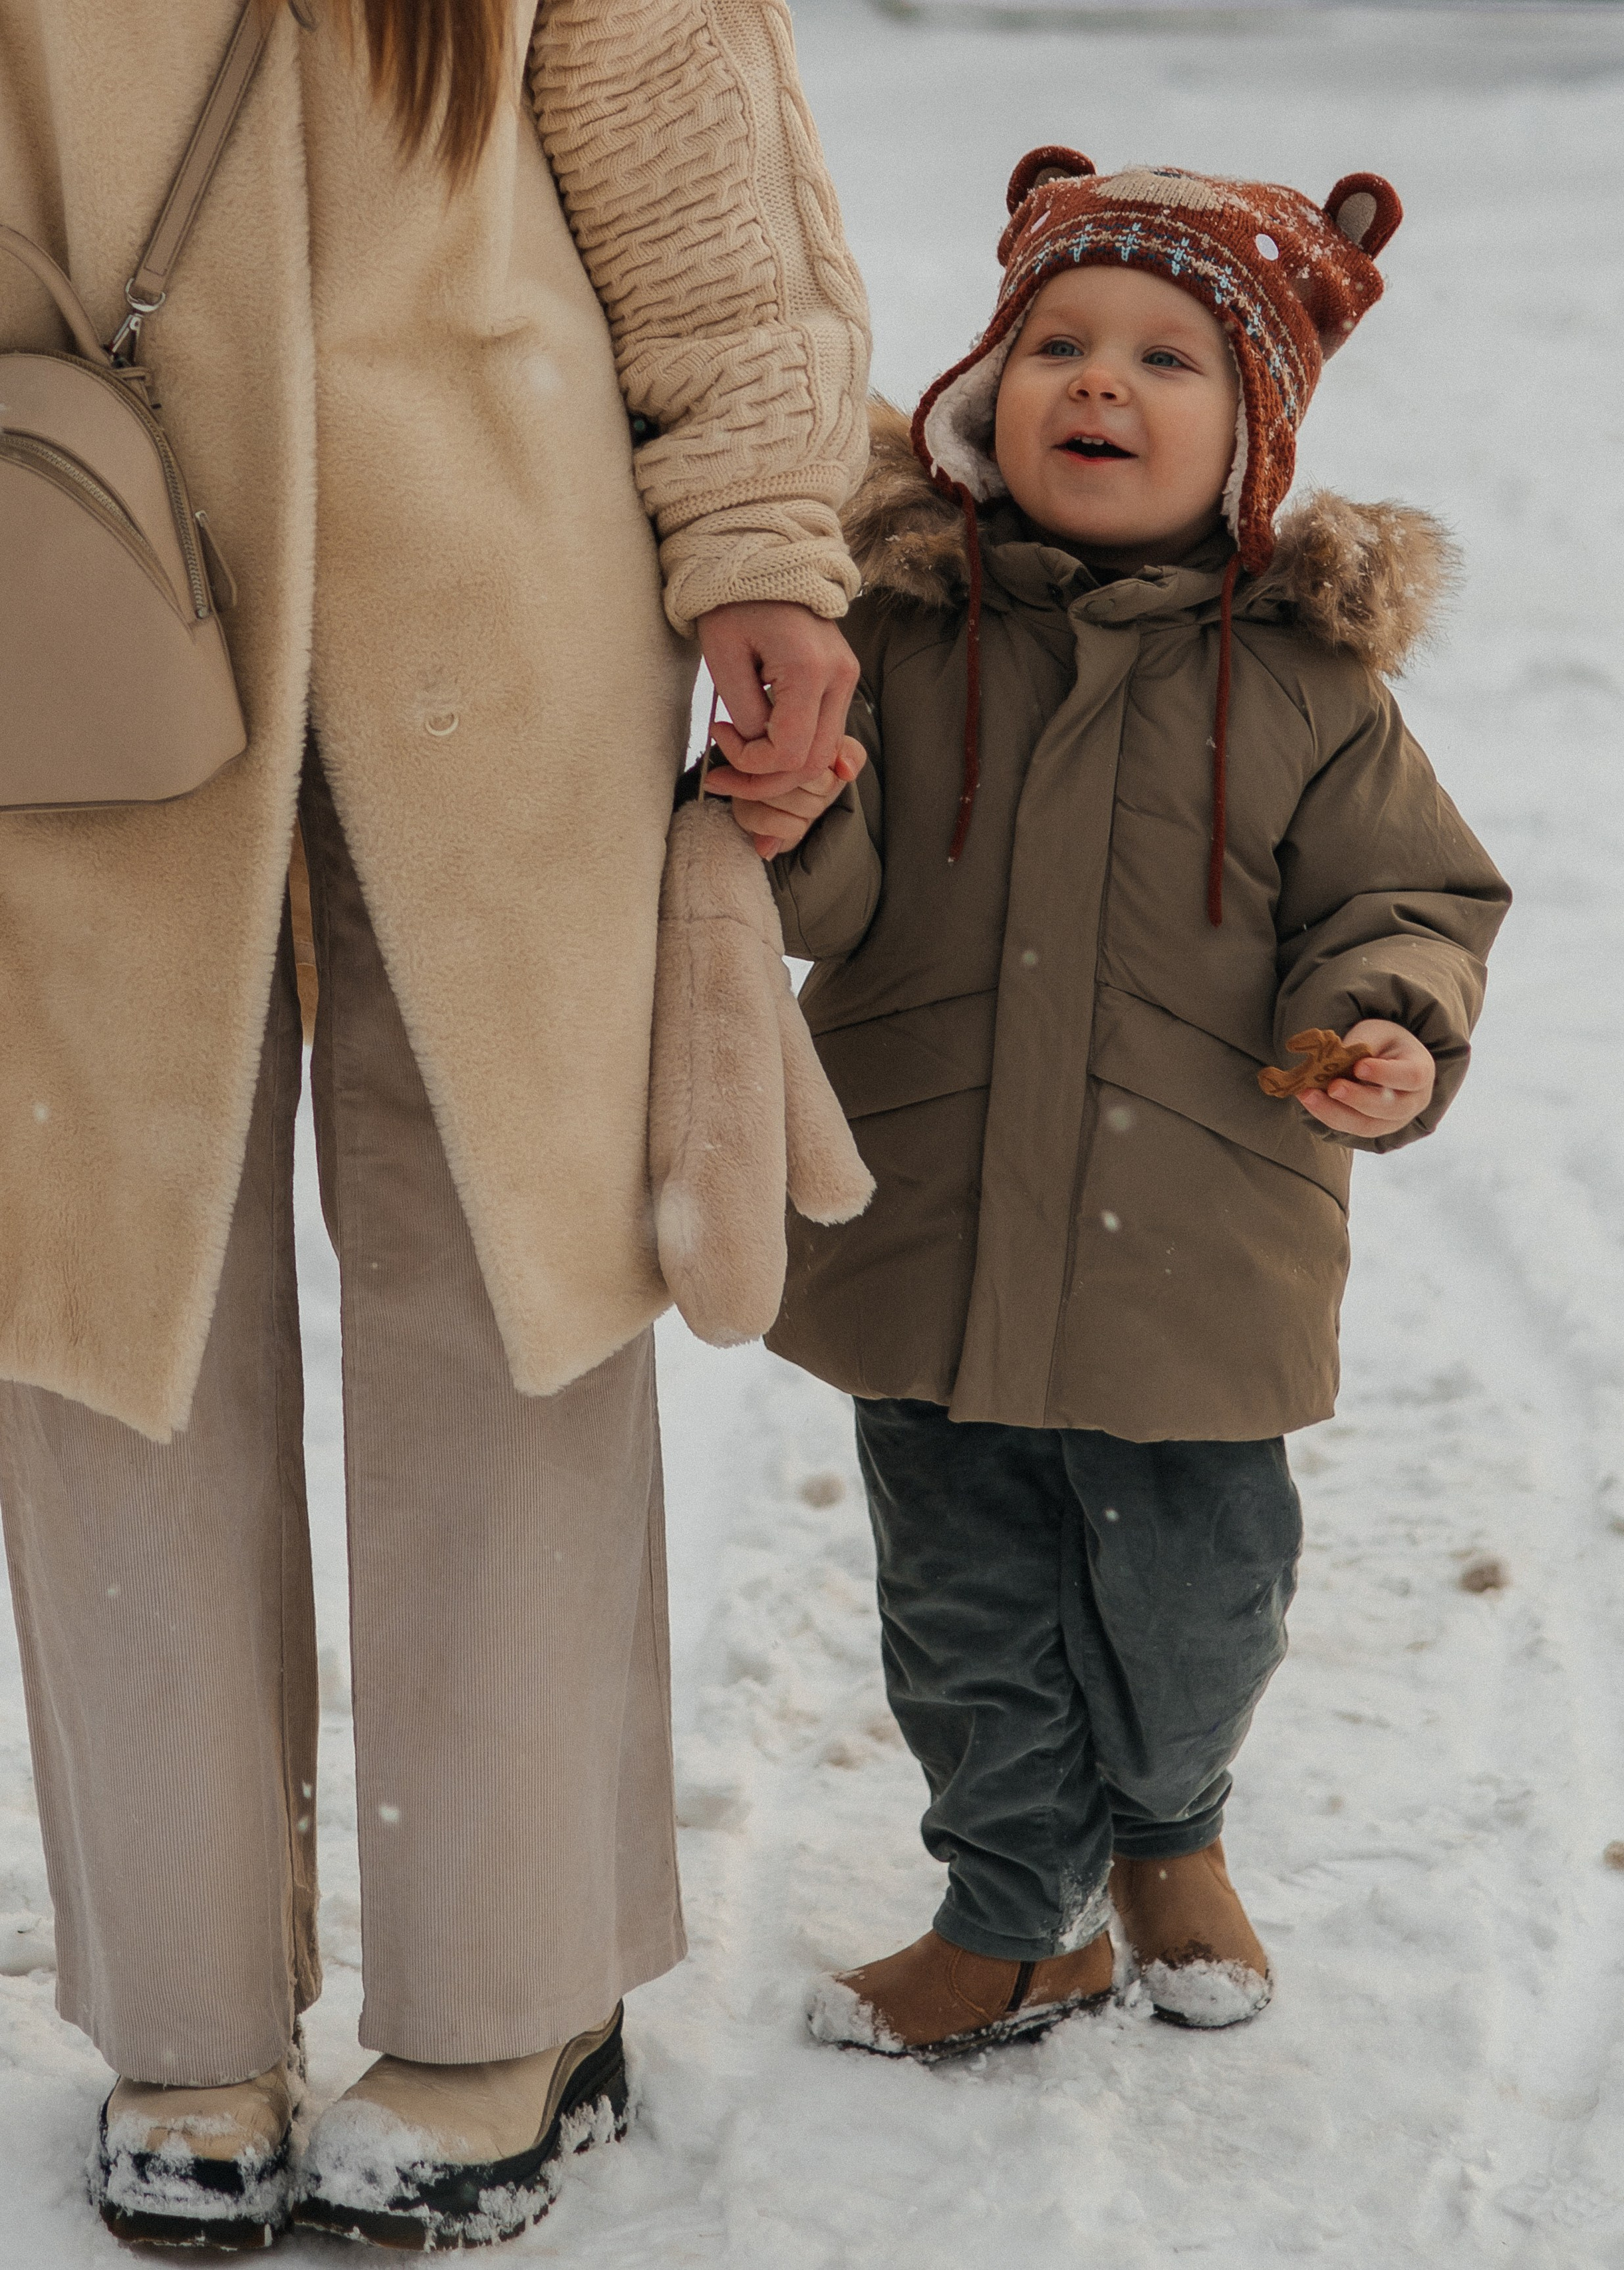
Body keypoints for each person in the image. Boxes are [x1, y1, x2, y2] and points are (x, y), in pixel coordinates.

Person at [0, 0, 867, 2246]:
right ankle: (182, 2005)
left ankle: (518, 1984)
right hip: (62, 565)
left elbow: (697, 177)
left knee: (508, 1258)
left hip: (498, 594)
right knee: (105, 1281)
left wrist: (764, 537)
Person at [707, 150, 1510, 2061]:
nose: (1100, 383)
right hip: (933, 1217)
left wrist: (1383, 1020)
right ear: (990, 389)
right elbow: (825, 907)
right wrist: (787, 820)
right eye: (1059, 342)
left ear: (1253, 429)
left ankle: (1168, 1835)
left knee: (1199, 1589)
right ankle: (1010, 1910)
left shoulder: (1312, 682)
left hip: (1200, 1238)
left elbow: (1410, 899)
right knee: (968, 1603)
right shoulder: (902, 635)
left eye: (1168, 356)